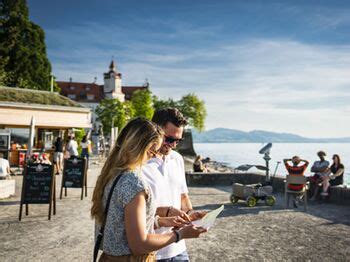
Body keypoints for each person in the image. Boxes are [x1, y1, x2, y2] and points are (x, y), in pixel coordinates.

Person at [91, 117, 206, 261]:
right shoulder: (133, 182)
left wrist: (162, 220)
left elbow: (121, 223)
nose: (153, 155)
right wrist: (180, 234)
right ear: (139, 146)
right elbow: (139, 245)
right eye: (151, 151)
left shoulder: (111, 174)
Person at [142, 108, 207, 261]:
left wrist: (193, 216)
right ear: (155, 131)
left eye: (178, 140)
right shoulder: (140, 163)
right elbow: (133, 211)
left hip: (179, 249)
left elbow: (183, 196)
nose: (173, 145)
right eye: (169, 139)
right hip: (152, 252)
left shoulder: (177, 159)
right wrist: (168, 212)